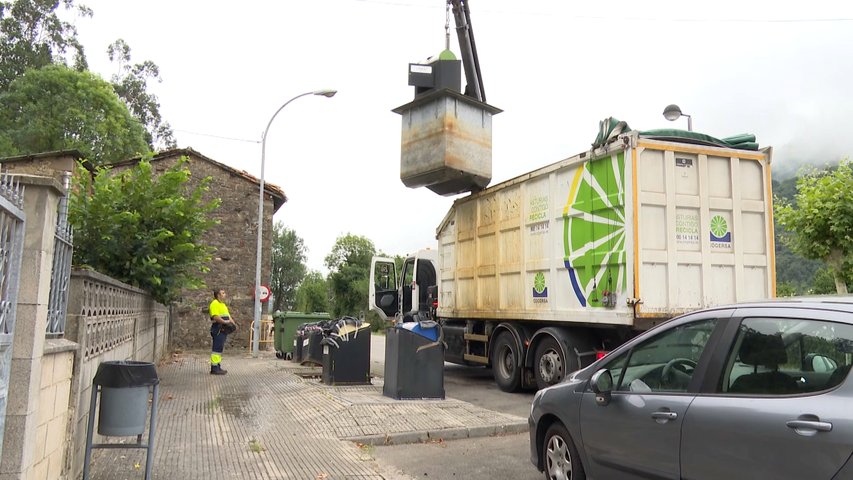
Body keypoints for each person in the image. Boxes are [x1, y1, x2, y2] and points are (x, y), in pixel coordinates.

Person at [208, 288, 236, 375]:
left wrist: (233, 323)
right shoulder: (214, 304)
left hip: (223, 329)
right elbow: (215, 316)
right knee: (216, 349)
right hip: (218, 328)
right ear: (218, 295)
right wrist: (225, 322)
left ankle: (217, 366)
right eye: (223, 293)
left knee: (219, 348)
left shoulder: (223, 305)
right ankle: (214, 368)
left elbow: (228, 316)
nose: (225, 294)